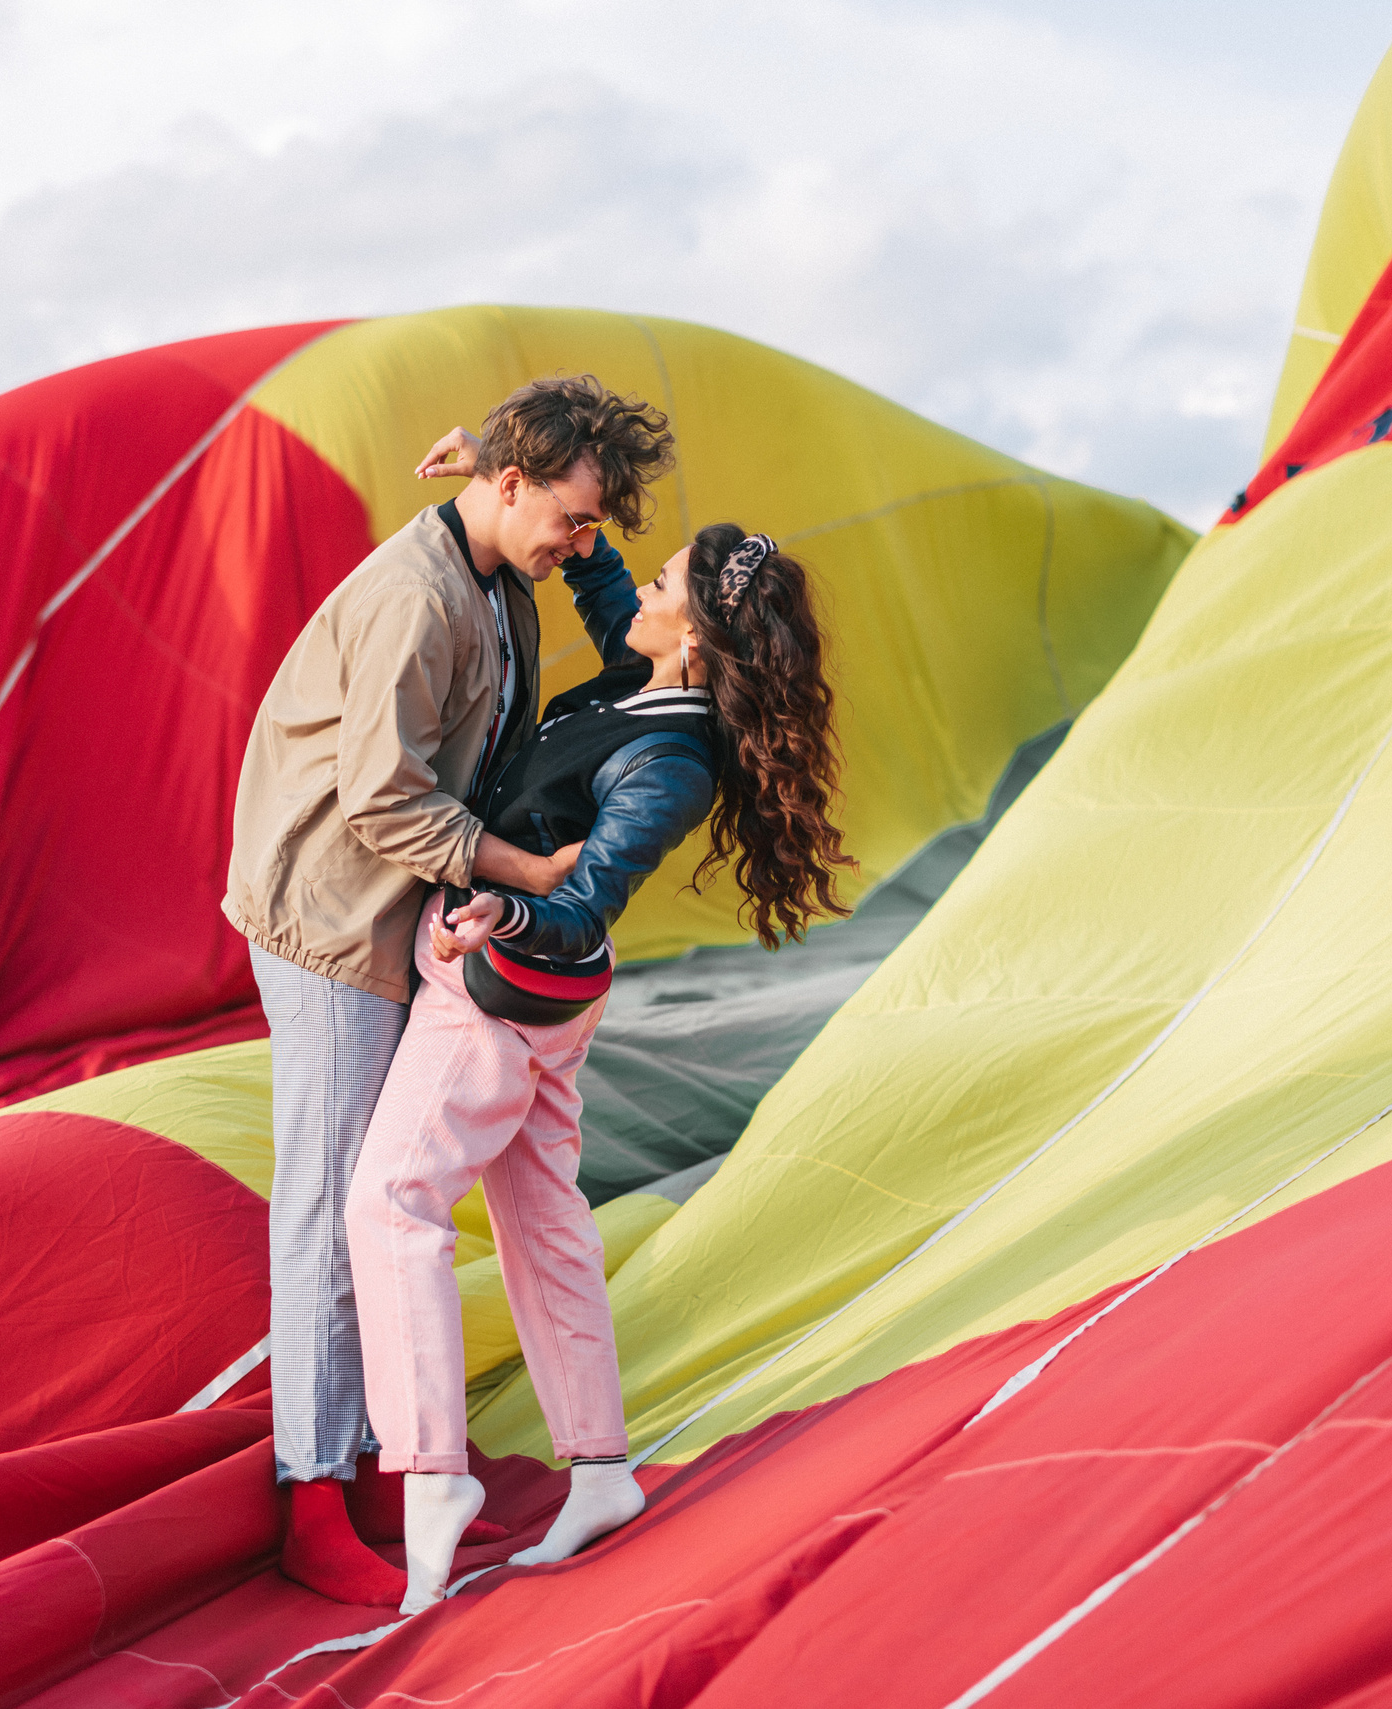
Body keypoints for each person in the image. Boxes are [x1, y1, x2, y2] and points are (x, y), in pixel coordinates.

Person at [345, 502, 854, 1614]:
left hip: (500, 989)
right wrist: (585, 540)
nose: (641, 593)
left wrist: (504, 911)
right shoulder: (652, 682)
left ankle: (430, 1470)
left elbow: (584, 903)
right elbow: (612, 601)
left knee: (392, 1200)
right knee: (545, 1224)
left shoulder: (669, 762)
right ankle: (601, 1469)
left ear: (695, 636)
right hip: (548, 1000)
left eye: (664, 584)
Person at [222, 375, 675, 1605]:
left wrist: (499, 463)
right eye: (571, 521)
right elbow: (381, 798)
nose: (577, 546)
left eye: (590, 529)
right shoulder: (418, 599)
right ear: (510, 487)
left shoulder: (499, 559)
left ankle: (385, 1464)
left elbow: (554, 545)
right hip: (332, 923)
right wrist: (533, 871)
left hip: (395, 915)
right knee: (334, 1205)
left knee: (380, 1193)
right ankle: (314, 1496)